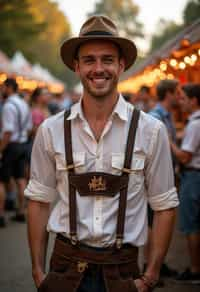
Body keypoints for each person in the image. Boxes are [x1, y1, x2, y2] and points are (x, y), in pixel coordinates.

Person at [25, 15, 179, 292]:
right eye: (89, 60)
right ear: (77, 66)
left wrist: (150, 277)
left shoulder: (151, 131)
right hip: (64, 268)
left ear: (121, 65)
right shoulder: (51, 130)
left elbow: (164, 206)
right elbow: (38, 201)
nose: (99, 68)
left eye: (107, 59)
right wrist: (38, 273)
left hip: (124, 271)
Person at [146, 79, 183, 279]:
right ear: (168, 93)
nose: (180, 96)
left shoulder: (165, 116)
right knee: (154, 221)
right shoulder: (156, 118)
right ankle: (150, 267)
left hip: (165, 172)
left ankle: (158, 264)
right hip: (156, 175)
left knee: (160, 218)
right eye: (177, 92)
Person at [170, 84, 200, 284]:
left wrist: (168, 140)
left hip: (193, 177)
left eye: (183, 98)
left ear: (194, 100)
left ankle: (196, 270)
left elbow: (184, 157)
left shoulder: (195, 124)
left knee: (191, 225)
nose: (180, 102)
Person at [0, 78, 32, 227]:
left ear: (8, 87)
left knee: (1, 180)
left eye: (3, 87)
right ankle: (21, 211)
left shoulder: (8, 106)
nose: (2, 90)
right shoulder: (23, 103)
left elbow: (7, 131)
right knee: (20, 178)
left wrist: (0, 149)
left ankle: (1, 215)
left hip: (11, 145)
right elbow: (29, 127)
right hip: (22, 144)